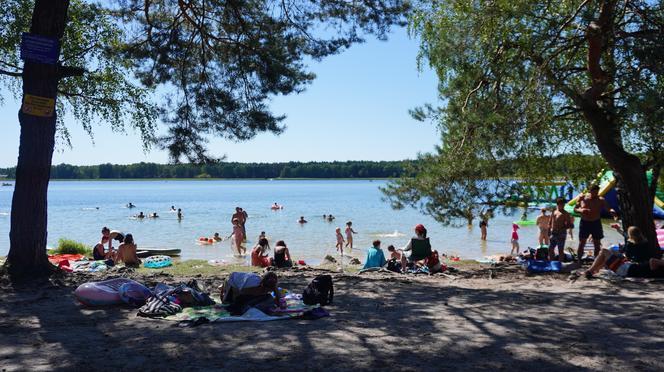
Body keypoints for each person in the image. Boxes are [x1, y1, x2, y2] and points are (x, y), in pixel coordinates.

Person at [585, 226, 660, 278]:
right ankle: (595, 270)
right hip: (629, 266)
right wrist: (618, 229)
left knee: (604, 251)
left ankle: (590, 271)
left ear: (631, 236)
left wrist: (622, 249)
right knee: (609, 251)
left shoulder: (631, 244)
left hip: (625, 268)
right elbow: (626, 236)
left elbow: (627, 256)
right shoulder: (645, 242)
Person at [574, 184, 617, 260]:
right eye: (594, 192)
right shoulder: (582, 198)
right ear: (590, 191)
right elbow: (575, 209)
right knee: (582, 243)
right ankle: (579, 261)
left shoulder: (601, 200)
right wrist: (581, 210)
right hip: (585, 222)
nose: (595, 194)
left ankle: (595, 261)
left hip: (596, 222)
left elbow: (608, 208)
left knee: (597, 244)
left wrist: (612, 211)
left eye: (597, 192)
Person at [219, 272, 284, 315]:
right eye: (266, 289)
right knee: (228, 303)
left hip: (244, 287)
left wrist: (275, 289)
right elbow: (239, 296)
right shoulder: (252, 284)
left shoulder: (270, 286)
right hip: (232, 281)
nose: (266, 291)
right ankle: (223, 288)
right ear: (262, 285)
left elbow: (281, 302)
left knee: (268, 298)